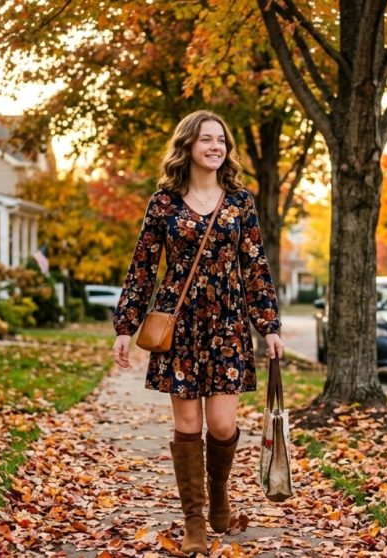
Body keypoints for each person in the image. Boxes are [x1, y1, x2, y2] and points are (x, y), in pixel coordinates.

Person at [112, 110, 284, 556]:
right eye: (206, 139)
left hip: (227, 323)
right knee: (187, 424)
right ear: (187, 146)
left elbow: (256, 268)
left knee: (223, 424)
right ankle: (193, 519)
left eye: (221, 140)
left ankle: (219, 491)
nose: (215, 146)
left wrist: (269, 328)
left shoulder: (240, 202)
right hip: (179, 326)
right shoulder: (163, 203)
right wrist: (125, 327)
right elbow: (143, 267)